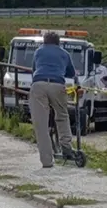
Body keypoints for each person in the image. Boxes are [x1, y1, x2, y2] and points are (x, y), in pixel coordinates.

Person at [28, 31, 77, 168]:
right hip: (57, 84)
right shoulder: (64, 54)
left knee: (41, 125)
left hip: (38, 84)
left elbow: (34, 69)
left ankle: (47, 161)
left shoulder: (38, 52)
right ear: (58, 42)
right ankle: (66, 146)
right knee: (62, 115)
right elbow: (71, 73)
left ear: (44, 41)